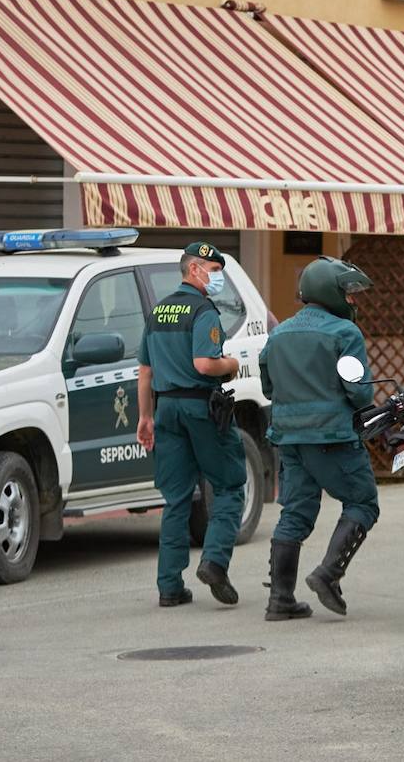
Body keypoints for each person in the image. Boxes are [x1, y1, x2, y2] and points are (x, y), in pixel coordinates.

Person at [259, 256, 379, 620]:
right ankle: (328, 574)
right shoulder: (345, 333)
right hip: (333, 437)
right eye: (349, 293)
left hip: (289, 440)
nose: (353, 301)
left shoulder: (278, 334)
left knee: (295, 511)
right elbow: (359, 393)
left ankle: (280, 599)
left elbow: (268, 387)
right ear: (332, 292)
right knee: (362, 503)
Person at [136, 242, 246, 608]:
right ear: (195, 268)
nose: (218, 278)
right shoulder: (204, 312)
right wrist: (230, 364)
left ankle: (169, 586)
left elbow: (145, 372)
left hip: (166, 409)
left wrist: (145, 416)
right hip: (201, 409)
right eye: (215, 271)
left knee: (177, 498)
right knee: (230, 485)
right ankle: (214, 561)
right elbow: (204, 364)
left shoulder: (158, 311)